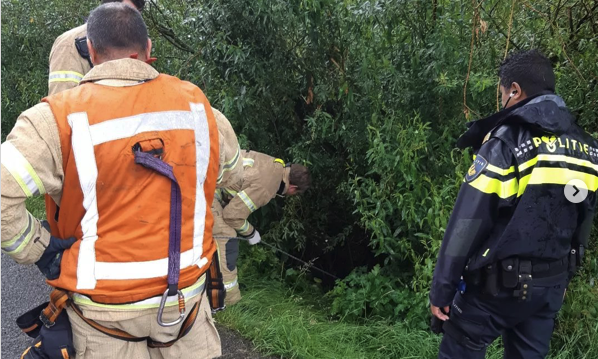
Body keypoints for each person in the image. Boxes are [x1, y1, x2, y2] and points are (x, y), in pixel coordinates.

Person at [2, 3, 242, 358]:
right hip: (185, 304)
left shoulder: (53, 119)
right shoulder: (200, 108)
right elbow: (232, 174)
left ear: (93, 53)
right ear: (148, 50)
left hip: (103, 311)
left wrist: (38, 248)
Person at [429, 49, 597, 359]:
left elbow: (468, 222)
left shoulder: (507, 140)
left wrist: (442, 288)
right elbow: (582, 219)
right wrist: (567, 274)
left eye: (502, 93)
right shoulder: (587, 147)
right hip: (549, 287)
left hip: (495, 289)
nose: (501, 100)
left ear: (514, 90)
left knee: (460, 350)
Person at [210, 150, 311, 307]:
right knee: (227, 238)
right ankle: (228, 302)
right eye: (295, 193)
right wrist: (251, 234)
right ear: (293, 187)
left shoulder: (274, 164)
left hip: (208, 178)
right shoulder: (268, 186)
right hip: (208, 189)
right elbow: (231, 215)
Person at [48, 0, 145, 96]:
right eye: (125, 12)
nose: (131, 21)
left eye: (135, 15)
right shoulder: (69, 44)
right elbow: (61, 100)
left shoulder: (135, 40)